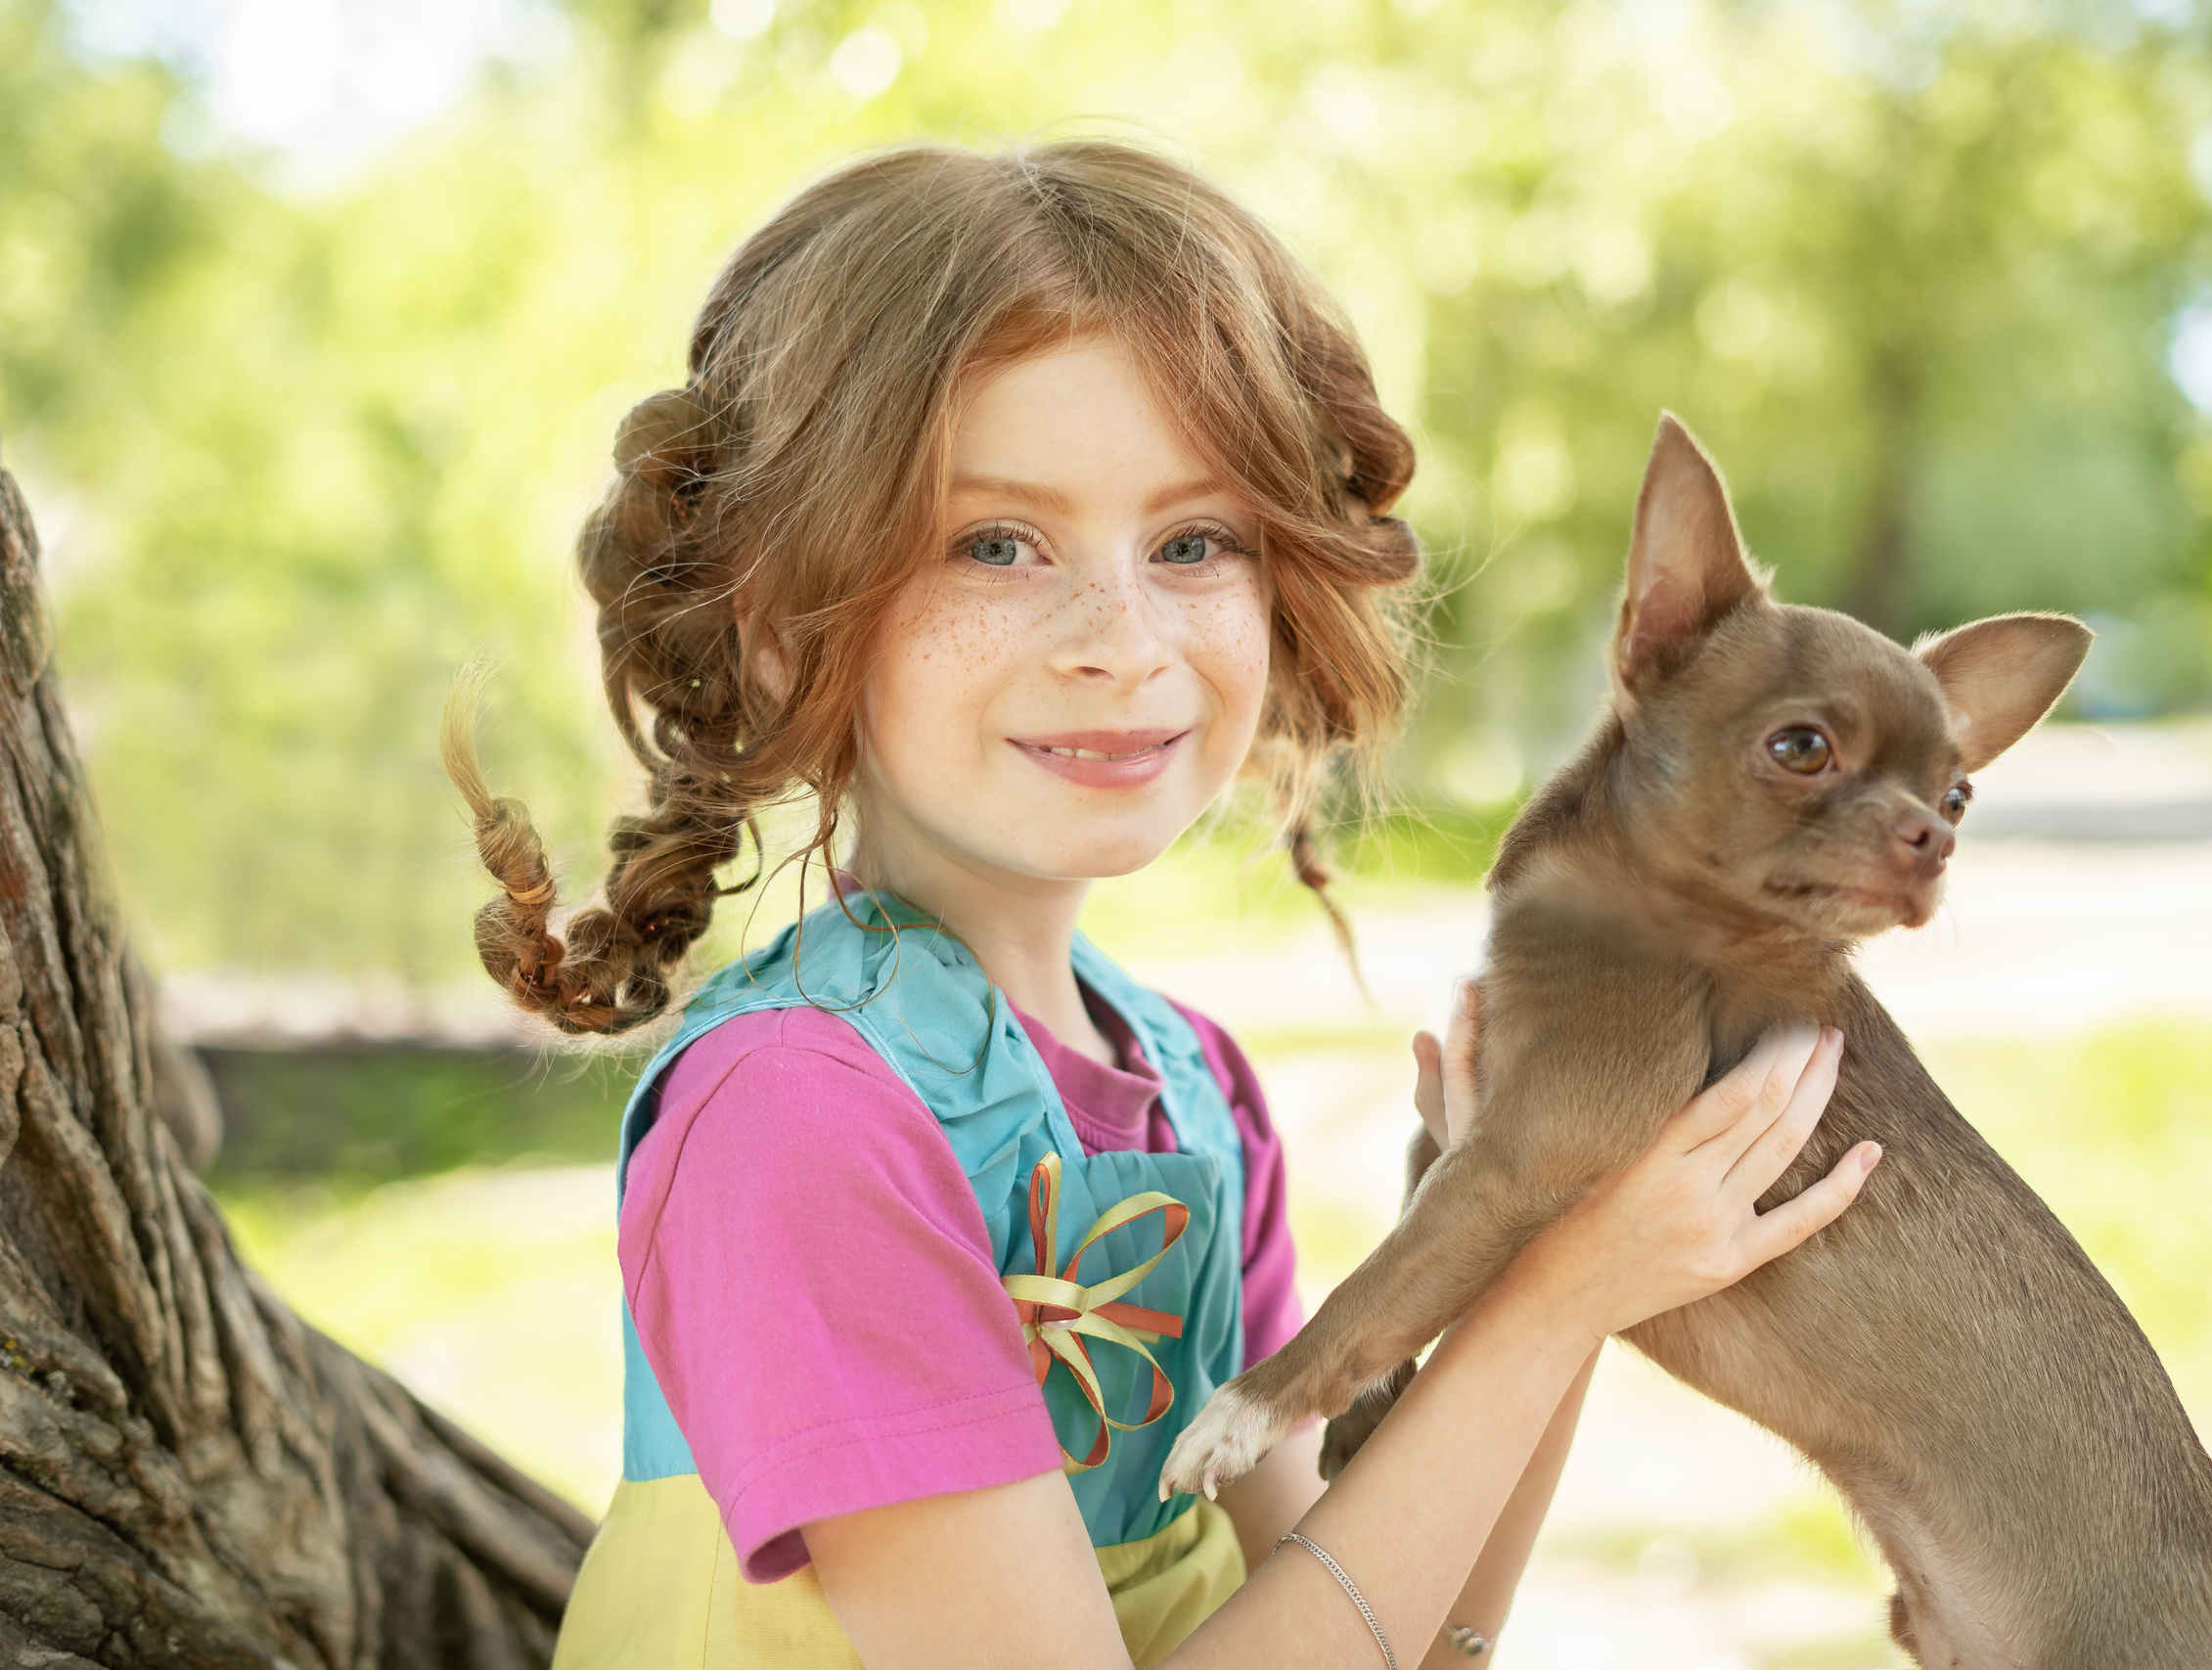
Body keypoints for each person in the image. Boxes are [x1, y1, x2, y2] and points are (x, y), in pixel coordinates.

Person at [445, 140, 1875, 1669]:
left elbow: (1397, 1634)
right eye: (997, 544)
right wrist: (1552, 1296)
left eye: (1194, 544)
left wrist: (1549, 1236)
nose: (1121, 643)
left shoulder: (1190, 1083)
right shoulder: (797, 1120)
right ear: (781, 620)